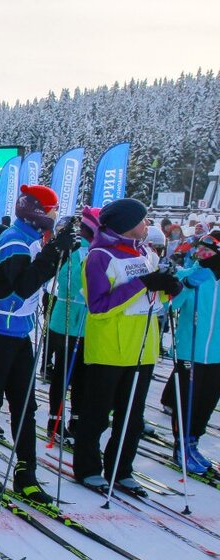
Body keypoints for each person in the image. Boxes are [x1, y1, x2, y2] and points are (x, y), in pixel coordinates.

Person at [0, 185, 74, 502]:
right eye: (53, 209)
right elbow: (24, 286)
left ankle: (26, 474)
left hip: (17, 333)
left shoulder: (27, 238)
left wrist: (59, 251)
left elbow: (40, 278)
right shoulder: (15, 241)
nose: (56, 215)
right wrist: (54, 251)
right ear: (38, 212)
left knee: (25, 406)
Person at [74, 198, 178, 493]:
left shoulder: (145, 252)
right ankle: (88, 468)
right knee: (97, 414)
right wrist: (144, 283)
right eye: (143, 220)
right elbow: (98, 306)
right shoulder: (99, 256)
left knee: (131, 418)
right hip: (109, 349)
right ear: (126, 224)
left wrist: (167, 288)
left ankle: (121, 469)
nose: (147, 224)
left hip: (142, 348)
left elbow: (152, 297)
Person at [167, 230, 220, 473]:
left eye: (209, 250)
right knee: (188, 400)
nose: (202, 254)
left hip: (217, 355)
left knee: (208, 401)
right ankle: (181, 445)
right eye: (200, 248)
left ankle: (193, 441)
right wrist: (184, 286)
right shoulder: (190, 275)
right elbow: (169, 305)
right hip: (190, 351)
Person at [45, 207, 98, 445]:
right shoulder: (77, 250)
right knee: (64, 374)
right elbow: (63, 281)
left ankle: (76, 420)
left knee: (82, 376)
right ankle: (55, 422)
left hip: (87, 323)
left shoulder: (96, 251)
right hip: (66, 320)